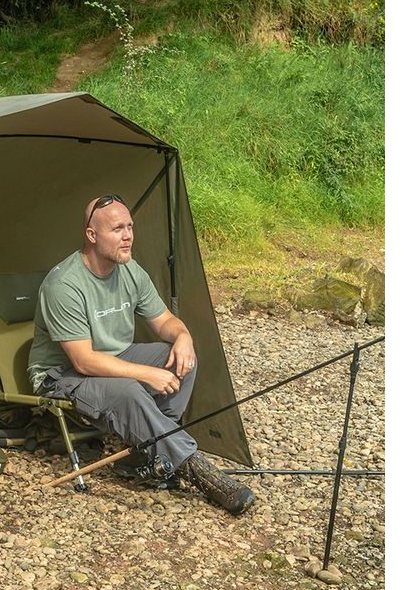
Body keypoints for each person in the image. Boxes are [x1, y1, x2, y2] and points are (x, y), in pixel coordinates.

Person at [27, 194, 255, 515]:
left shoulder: (130, 270)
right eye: (117, 229)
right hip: (62, 374)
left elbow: (165, 322)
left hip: (114, 356)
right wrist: (146, 373)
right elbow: (83, 360)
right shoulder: (64, 284)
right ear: (92, 235)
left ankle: (144, 455)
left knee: (178, 359)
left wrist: (184, 337)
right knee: (129, 390)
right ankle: (201, 472)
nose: (128, 236)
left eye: (130, 227)